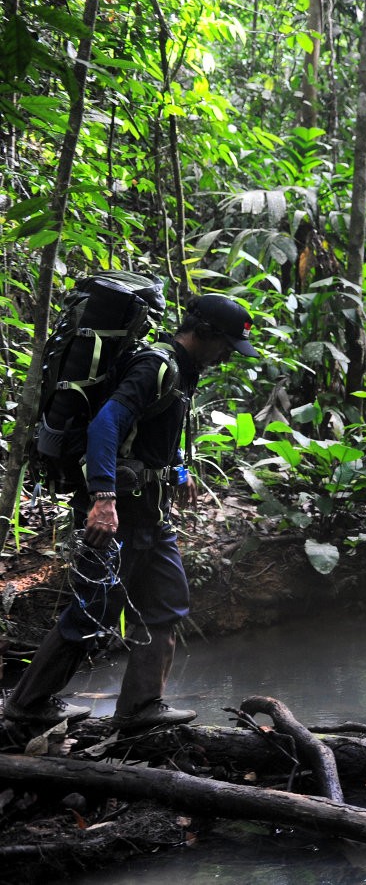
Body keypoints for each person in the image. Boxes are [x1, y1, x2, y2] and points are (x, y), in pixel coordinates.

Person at [3, 294, 259, 730]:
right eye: (224, 345)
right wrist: (103, 499)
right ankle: (27, 705)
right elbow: (106, 423)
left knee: (166, 605)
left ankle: (140, 708)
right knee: (92, 611)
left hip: (152, 520)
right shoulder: (156, 365)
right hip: (119, 517)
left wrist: (177, 468)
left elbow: (152, 432)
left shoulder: (181, 370)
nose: (224, 356)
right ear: (205, 333)